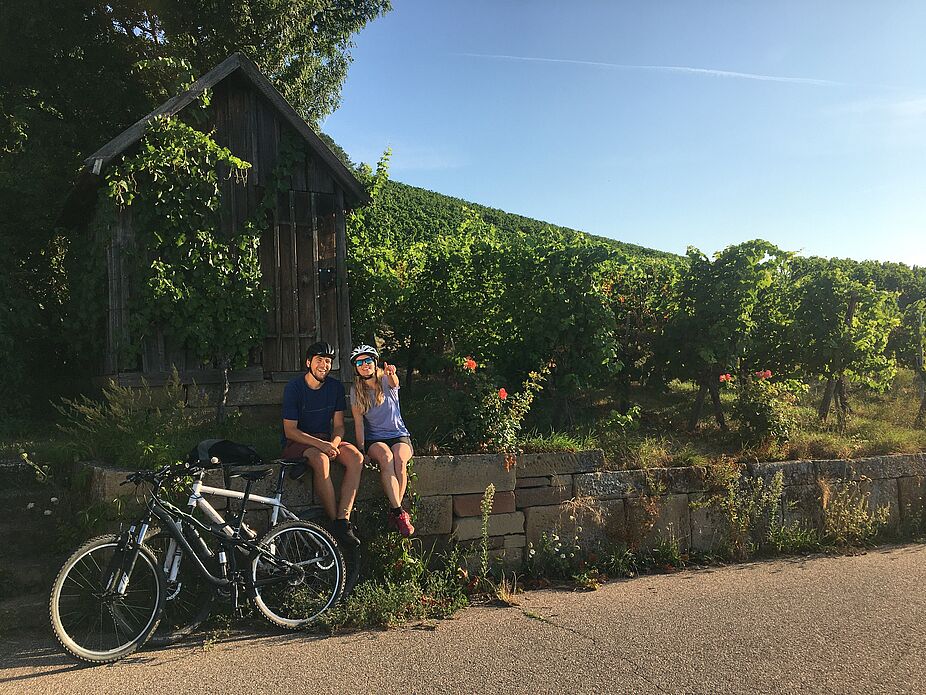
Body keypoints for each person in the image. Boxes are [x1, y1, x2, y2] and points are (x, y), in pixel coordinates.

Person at [281, 341, 363, 547]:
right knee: (321, 460)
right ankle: (334, 520)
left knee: (356, 457)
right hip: (299, 440)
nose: (324, 365)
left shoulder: (335, 387)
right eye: (319, 360)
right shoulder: (294, 388)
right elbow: (290, 430)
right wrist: (322, 446)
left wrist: (333, 444)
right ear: (309, 362)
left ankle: (344, 521)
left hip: (325, 439)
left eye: (328, 361)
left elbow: (338, 426)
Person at [349, 344, 415, 537]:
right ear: (356, 368)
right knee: (386, 457)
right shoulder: (356, 391)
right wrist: (362, 451)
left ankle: (395, 511)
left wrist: (392, 372)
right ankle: (400, 514)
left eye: (368, 360)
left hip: (399, 434)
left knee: (400, 459)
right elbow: (359, 425)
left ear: (374, 362)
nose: (364, 365)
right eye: (359, 362)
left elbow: (395, 382)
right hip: (375, 438)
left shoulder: (386, 379)